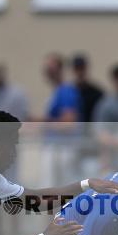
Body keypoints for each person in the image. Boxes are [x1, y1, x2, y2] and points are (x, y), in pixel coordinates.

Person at [42, 53, 81, 186]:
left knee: (59, 190)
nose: (48, 73)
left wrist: (41, 126)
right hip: (56, 147)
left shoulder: (66, 91)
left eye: (51, 69)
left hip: (62, 149)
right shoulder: (57, 91)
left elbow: (69, 123)